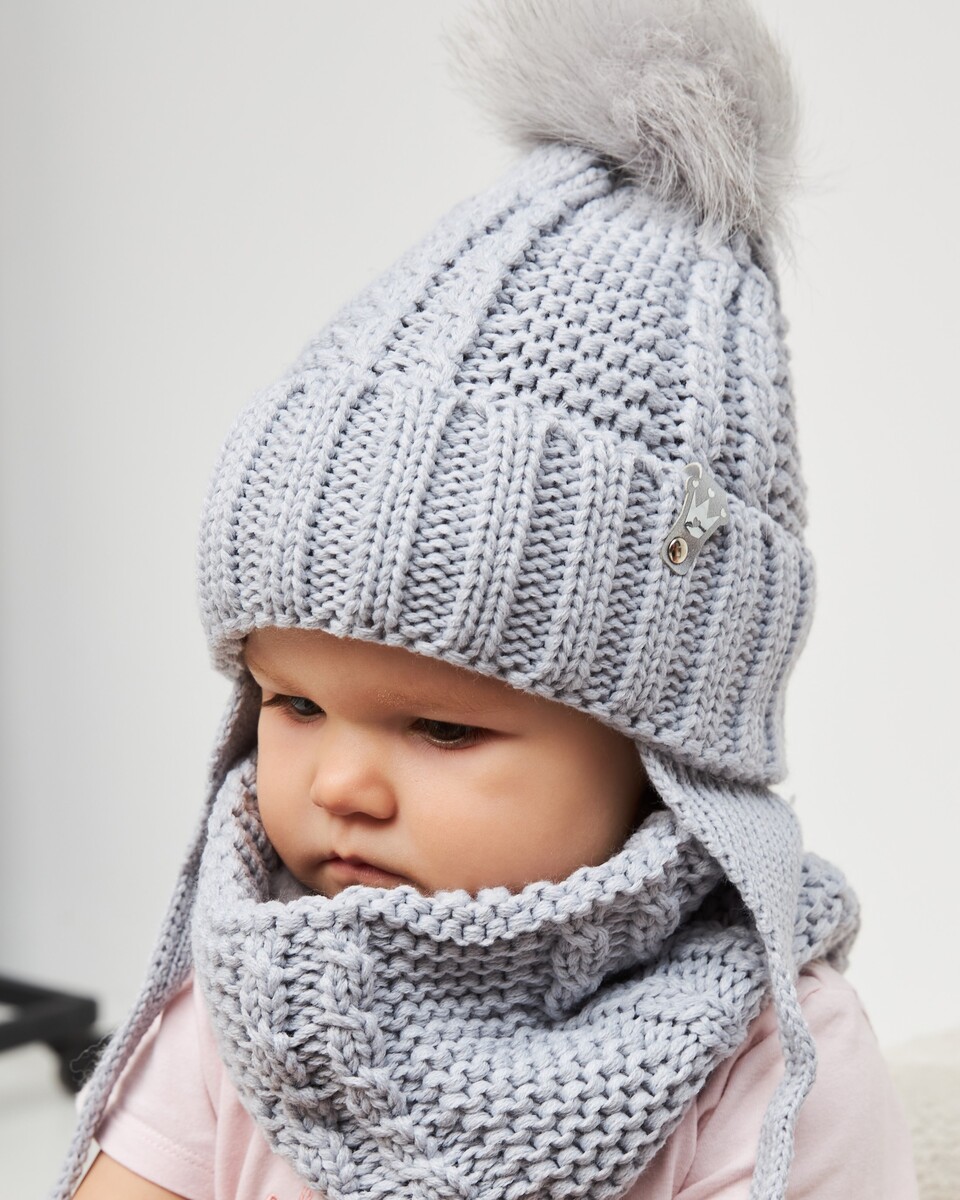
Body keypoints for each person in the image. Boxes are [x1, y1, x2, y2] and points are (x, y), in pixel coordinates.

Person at [54, 1, 917, 1197]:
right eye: (293, 705)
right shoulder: (253, 995)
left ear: (666, 759)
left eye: (443, 728)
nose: (339, 786)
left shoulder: (766, 1058)